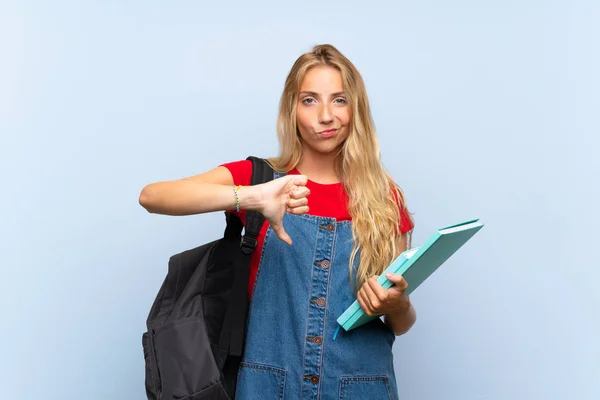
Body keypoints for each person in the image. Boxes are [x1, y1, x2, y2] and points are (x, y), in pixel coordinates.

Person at [139, 44, 416, 400]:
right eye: (310, 100)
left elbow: (401, 323)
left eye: (340, 100)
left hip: (362, 386)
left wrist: (398, 305)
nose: (326, 116)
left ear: (356, 109)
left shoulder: (385, 197)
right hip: (268, 385)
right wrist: (251, 197)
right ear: (292, 109)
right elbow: (153, 196)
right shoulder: (261, 178)